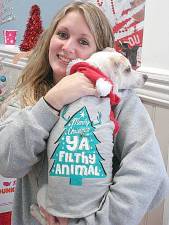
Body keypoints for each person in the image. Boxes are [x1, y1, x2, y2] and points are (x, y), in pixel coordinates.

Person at [0, 1, 168, 225]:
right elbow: (8, 164)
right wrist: (52, 101)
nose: (68, 47)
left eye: (83, 41)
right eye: (62, 34)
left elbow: (150, 173)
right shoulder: (28, 94)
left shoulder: (118, 100)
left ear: (99, 54)